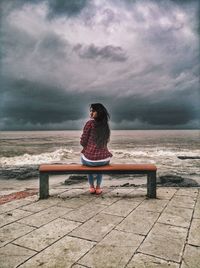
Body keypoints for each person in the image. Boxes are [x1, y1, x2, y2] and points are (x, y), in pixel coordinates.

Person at [80, 103, 112, 194]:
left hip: (90, 161)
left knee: (86, 161)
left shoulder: (90, 124)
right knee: (100, 166)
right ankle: (98, 187)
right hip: (104, 160)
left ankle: (91, 187)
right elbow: (106, 141)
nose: (91, 113)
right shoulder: (105, 125)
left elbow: (83, 141)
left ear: (99, 112)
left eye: (93, 111)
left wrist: (87, 147)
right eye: (91, 111)